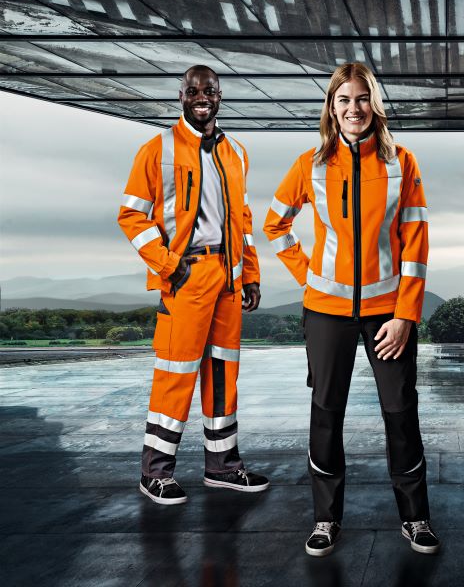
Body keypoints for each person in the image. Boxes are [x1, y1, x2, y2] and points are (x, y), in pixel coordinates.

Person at [263, 62, 439, 556]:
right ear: (331, 107)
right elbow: (275, 224)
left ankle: (416, 518)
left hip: (389, 313)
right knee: (326, 413)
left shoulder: (403, 163)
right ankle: (325, 519)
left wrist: (406, 314)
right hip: (326, 313)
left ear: (375, 105)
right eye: (343, 100)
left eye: (362, 98)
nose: (353, 108)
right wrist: (309, 276)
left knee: (401, 412)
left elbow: (416, 242)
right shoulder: (310, 165)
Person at [118, 65, 269, 505]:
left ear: (220, 96)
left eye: (210, 90)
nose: (201, 97)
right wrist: (169, 266)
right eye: (193, 90)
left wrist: (252, 274)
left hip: (227, 277)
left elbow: (242, 221)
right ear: (180, 95)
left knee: (223, 373)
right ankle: (156, 473)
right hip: (185, 278)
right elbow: (130, 215)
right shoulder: (158, 149)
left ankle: (223, 467)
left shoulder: (236, 151)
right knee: (175, 372)